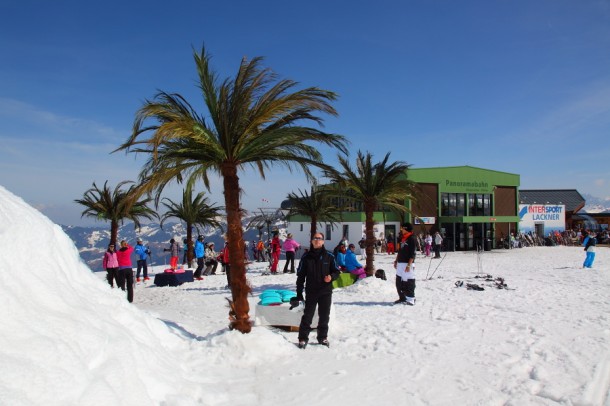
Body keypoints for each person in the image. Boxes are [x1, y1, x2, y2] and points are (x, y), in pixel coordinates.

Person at [295, 232, 340, 349]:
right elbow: (300, 276)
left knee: (324, 315)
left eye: (319, 238)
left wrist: (331, 277)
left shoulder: (329, 256)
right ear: (311, 241)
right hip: (311, 291)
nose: (317, 240)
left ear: (323, 241)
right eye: (315, 238)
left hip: (325, 291)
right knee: (308, 315)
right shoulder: (306, 257)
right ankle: (303, 338)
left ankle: (322, 337)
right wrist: (299, 293)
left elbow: (336, 271)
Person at [394, 223, 417, 305]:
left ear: (406, 229)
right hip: (400, 262)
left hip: (407, 263)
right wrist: (396, 260)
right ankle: (402, 297)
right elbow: (400, 251)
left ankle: (411, 299)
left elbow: (413, 253)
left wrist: (409, 265)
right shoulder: (402, 238)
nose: (401, 230)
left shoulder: (412, 238)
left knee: (409, 281)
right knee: (399, 281)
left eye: (403, 228)